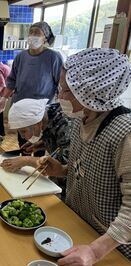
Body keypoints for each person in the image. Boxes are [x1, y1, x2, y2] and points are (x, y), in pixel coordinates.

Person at [38, 48, 131, 265]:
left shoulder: (125, 132)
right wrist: (61, 170)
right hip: (77, 224)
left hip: (108, 247)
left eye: (66, 90)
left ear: (91, 91)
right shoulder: (82, 118)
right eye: (60, 88)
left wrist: (95, 252)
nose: (59, 96)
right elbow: (84, 167)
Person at [2, 21, 63, 154]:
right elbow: (12, 80)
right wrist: (4, 98)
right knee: (24, 143)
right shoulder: (21, 56)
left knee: (40, 144)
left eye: (37, 33)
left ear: (45, 37)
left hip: (39, 111)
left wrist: (62, 105)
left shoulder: (53, 57)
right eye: (31, 32)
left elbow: (61, 84)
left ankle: (35, 164)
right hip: (20, 109)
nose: (32, 35)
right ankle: (23, 165)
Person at [0, 98, 71, 199]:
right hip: (54, 182)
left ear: (37, 124)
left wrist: (27, 160)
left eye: (23, 131)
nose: (23, 137)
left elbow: (64, 164)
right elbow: (58, 144)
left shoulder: (65, 124)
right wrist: (41, 144)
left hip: (69, 186)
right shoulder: (46, 115)